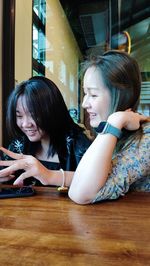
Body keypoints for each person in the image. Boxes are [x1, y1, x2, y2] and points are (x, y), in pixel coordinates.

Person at [0, 50, 149, 204]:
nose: (84, 104)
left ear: (121, 94)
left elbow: (80, 192)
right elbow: (84, 180)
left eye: (93, 95)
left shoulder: (145, 139)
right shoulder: (116, 136)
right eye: (85, 93)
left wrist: (115, 121)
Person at [0, 76, 91, 186]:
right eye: (19, 116)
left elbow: (97, 182)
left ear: (52, 111)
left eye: (33, 115)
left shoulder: (78, 145)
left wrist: (49, 175)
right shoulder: (19, 145)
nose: (25, 124)